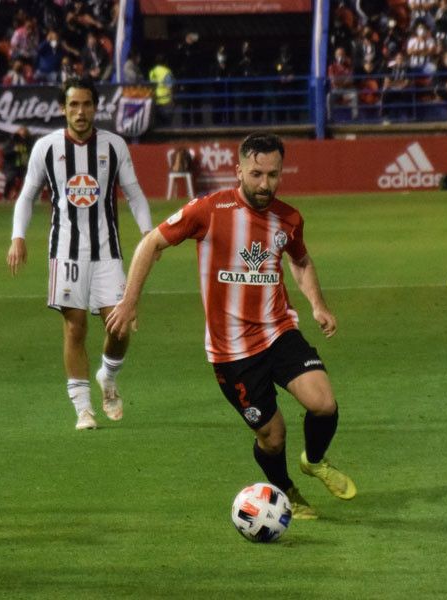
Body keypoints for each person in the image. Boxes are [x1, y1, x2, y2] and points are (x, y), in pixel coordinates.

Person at [105, 132, 357, 519]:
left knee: (323, 404)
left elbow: (301, 260)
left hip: (278, 331)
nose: (265, 184)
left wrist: (318, 305)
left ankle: (315, 460)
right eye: (256, 174)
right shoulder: (208, 209)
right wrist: (129, 300)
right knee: (272, 438)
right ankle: (286, 488)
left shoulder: (288, 218)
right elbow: (151, 243)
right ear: (238, 169)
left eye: (273, 175)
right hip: (232, 354)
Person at [7, 77, 153, 430]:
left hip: (107, 252)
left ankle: (108, 375)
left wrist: (150, 234)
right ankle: (83, 409)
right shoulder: (46, 147)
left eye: (86, 104)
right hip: (66, 253)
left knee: (119, 328)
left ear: (95, 107)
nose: (80, 111)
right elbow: (27, 195)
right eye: (73, 105)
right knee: (75, 329)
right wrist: (18, 236)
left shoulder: (114, 146)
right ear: (63, 108)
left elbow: (134, 193)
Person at [2, 126, 32, 201]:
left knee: (27, 180)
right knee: (10, 178)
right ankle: (5, 196)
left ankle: (23, 196)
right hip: (11, 166)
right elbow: (5, 153)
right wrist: (14, 150)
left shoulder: (28, 142)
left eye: (24, 135)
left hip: (24, 166)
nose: (22, 137)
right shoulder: (11, 142)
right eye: (20, 134)